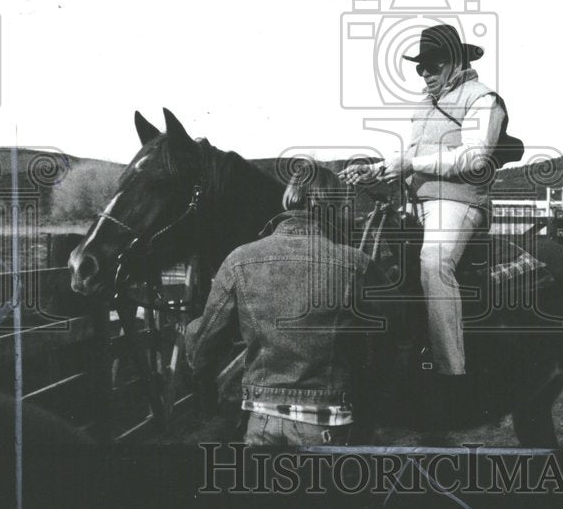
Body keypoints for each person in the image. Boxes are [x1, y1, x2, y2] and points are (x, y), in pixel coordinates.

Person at [338, 24, 517, 378]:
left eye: (432, 65)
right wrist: (374, 171)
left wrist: (411, 164)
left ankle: (452, 371)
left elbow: (475, 157)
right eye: (420, 66)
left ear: (454, 62)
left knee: (434, 263)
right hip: (416, 204)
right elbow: (411, 156)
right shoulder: (425, 105)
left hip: (460, 203)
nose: (424, 73)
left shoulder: (483, 98)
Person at [185, 162, 391, 447]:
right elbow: (388, 337)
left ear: (288, 199)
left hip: (260, 421)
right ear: (334, 206)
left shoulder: (239, 260)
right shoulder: (356, 265)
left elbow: (202, 345)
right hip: (327, 423)